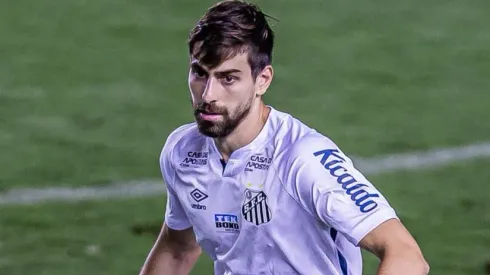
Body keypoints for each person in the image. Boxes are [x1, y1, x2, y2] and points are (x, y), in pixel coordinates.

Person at [139, 1, 429, 274]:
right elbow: (178, 248)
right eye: (200, 74)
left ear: (262, 80)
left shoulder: (303, 159)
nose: (208, 95)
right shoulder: (182, 152)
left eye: (228, 78)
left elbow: (406, 255)